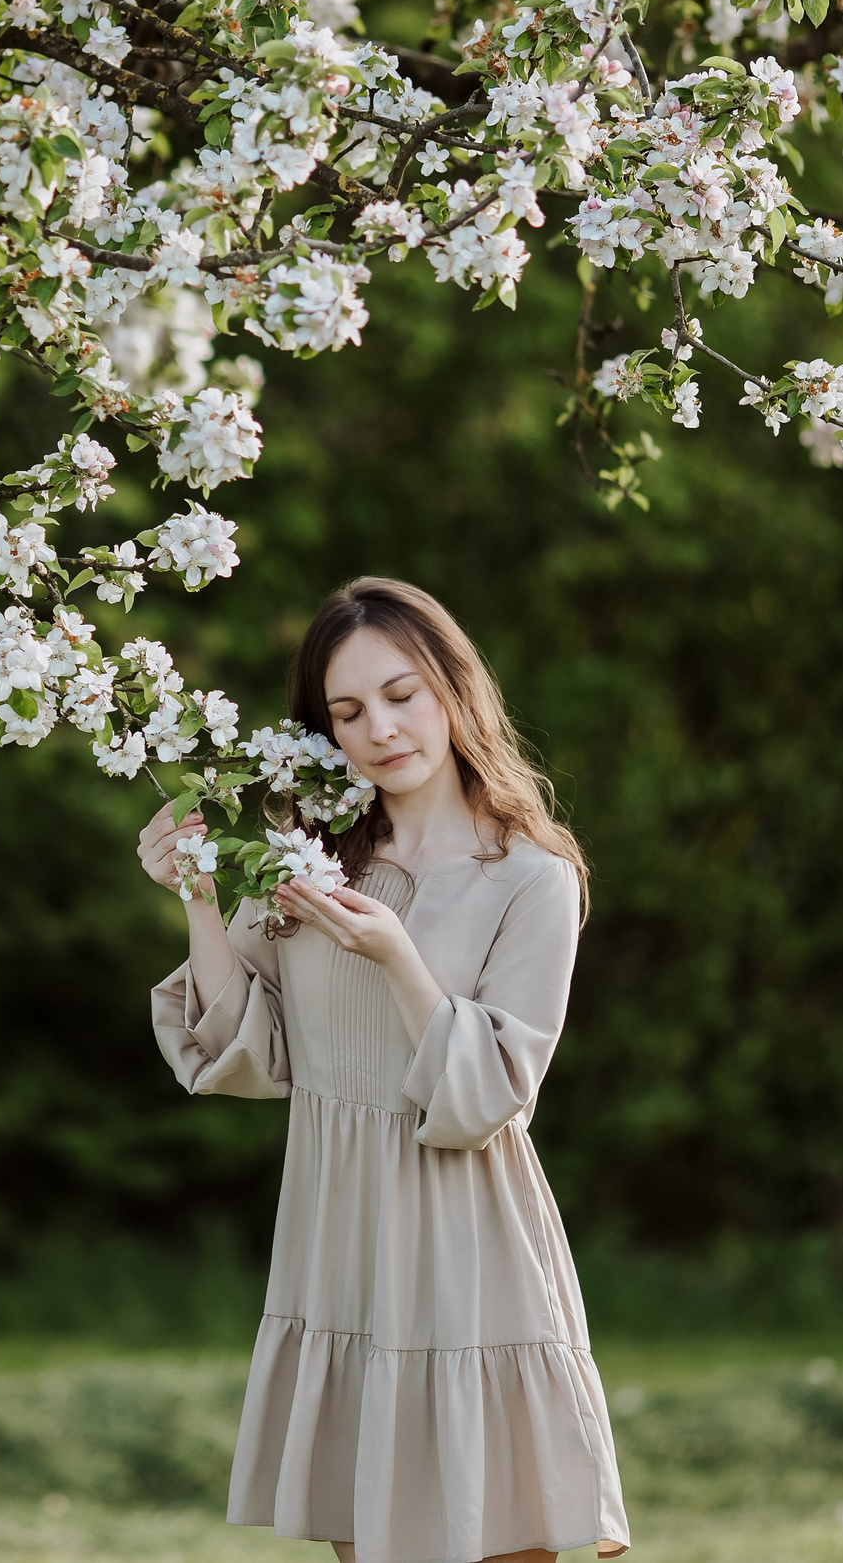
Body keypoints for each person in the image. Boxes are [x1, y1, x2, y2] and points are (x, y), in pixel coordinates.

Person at [138, 576, 630, 1563]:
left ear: (453, 689)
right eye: (347, 711)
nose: (381, 730)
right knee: (367, 1542)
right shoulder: (307, 862)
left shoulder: (530, 878)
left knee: (495, 1540)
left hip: (464, 1246)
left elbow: (490, 1097)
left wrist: (397, 957)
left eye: (401, 695)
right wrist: (199, 900)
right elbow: (247, 1050)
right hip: (339, 1234)